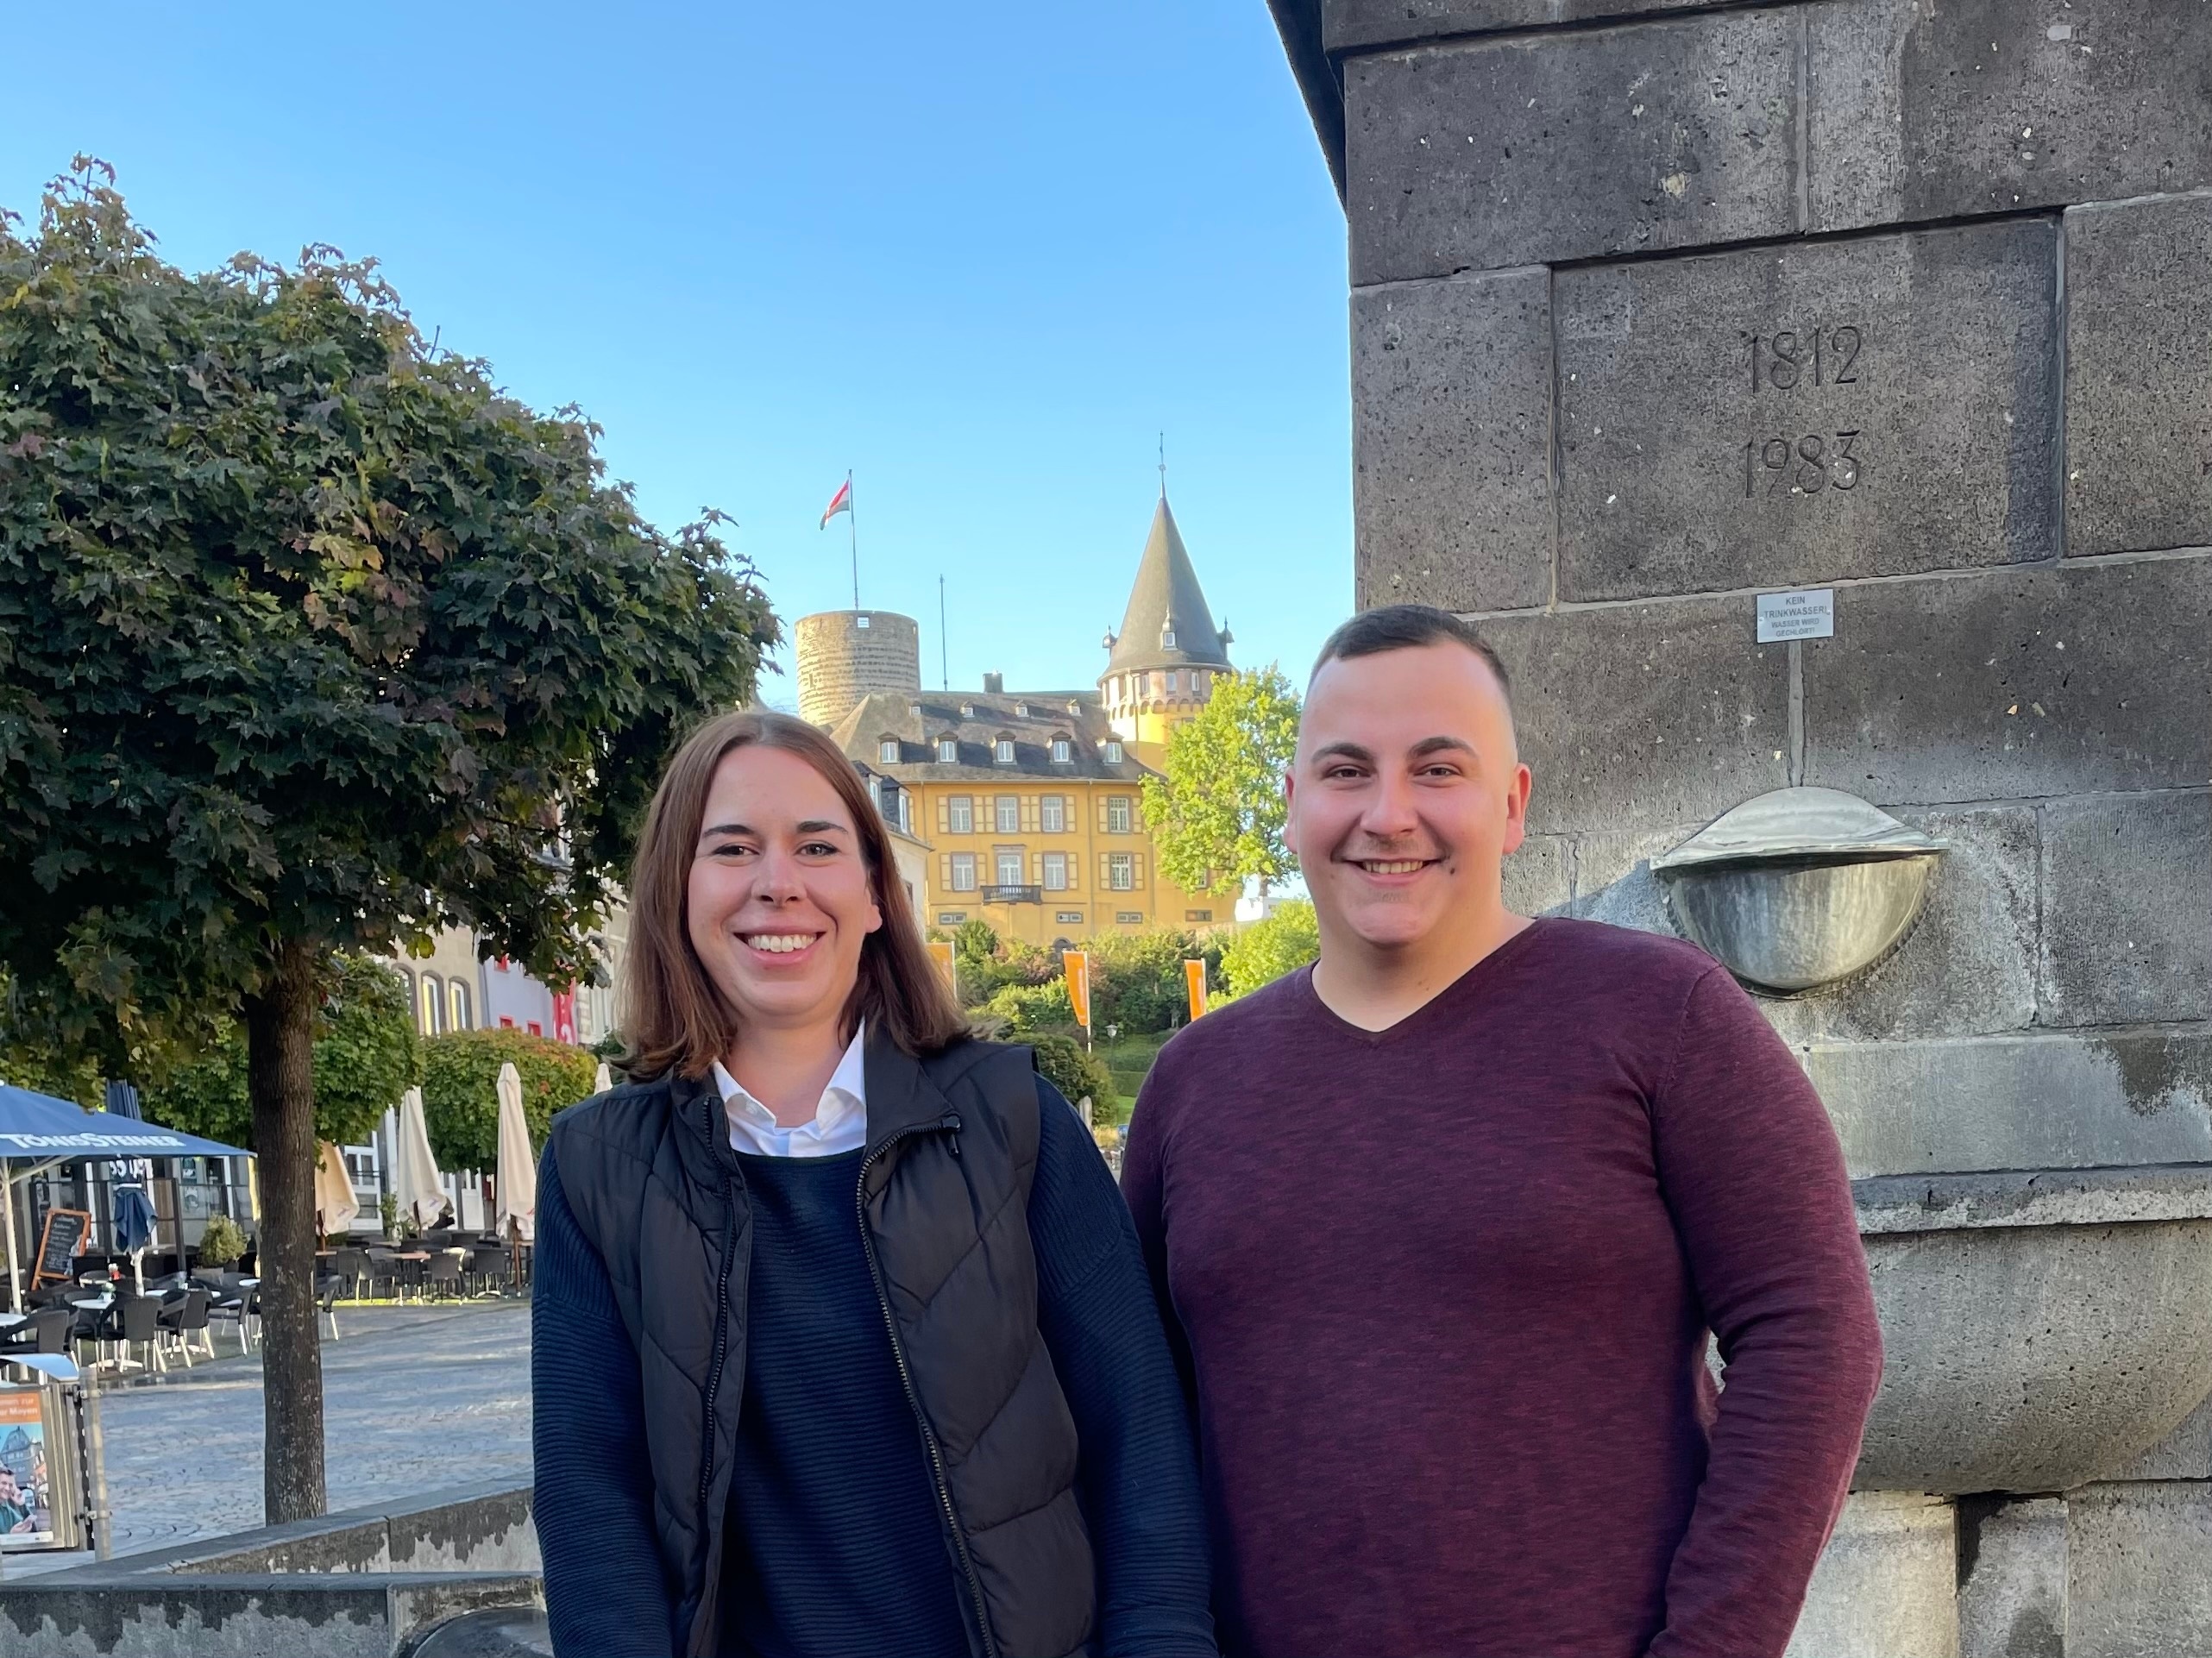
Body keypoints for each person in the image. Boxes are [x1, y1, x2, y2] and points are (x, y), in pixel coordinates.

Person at [1122, 606, 1885, 1658]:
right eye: (1346, 771)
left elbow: (1814, 1336)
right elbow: (1141, 1414)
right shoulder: (1192, 1081)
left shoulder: (1664, 1016)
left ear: (1512, 802)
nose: (1388, 814)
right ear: (1292, 804)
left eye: (1438, 768)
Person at [532, 709, 1216, 1658]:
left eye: (817, 845)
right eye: (731, 848)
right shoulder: (595, 1165)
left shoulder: (1011, 1117)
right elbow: (588, 1496)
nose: (778, 884)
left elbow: (1137, 1427)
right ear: (676, 891)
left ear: (873, 892)